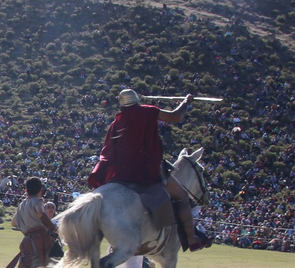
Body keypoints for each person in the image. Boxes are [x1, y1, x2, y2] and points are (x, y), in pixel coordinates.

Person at [86, 88, 211, 251]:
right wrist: (186, 102)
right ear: (136, 100)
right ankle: (192, 238)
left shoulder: (116, 123)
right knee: (182, 196)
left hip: (123, 172)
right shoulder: (147, 111)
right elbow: (176, 116)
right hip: (149, 169)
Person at [4, 177, 82, 268]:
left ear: (26, 190)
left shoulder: (22, 205)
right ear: (41, 190)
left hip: (28, 240)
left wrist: (27, 223)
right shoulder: (38, 201)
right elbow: (41, 213)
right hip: (44, 239)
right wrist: (53, 229)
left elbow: (14, 223)